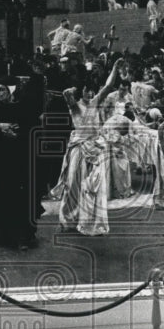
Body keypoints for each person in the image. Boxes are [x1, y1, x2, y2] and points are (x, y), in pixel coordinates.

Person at [52, 57, 124, 235]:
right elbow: (66, 95)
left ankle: (90, 221)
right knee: (73, 183)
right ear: (81, 91)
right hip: (79, 148)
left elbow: (107, 87)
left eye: (92, 91)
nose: (90, 94)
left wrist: (114, 68)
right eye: (87, 90)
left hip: (95, 147)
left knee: (94, 185)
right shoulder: (75, 107)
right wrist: (71, 89)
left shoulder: (95, 103)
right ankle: (69, 219)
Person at [0, 77, 37, 250]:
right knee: (1, 198)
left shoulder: (23, 108)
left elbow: (33, 131)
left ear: (11, 91)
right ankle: (1, 235)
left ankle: (22, 238)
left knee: (19, 200)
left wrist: (18, 137)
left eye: (2, 90)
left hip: (19, 162)